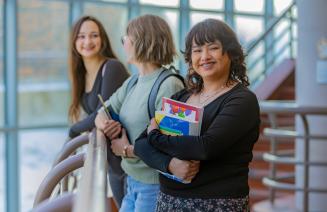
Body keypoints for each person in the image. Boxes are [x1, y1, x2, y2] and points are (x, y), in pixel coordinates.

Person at [134, 18, 260, 211]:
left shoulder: (242, 100)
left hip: (217, 204)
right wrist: (169, 164)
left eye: (213, 48)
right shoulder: (182, 97)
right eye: (197, 50)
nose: (205, 56)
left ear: (230, 53)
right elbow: (141, 145)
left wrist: (155, 136)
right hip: (168, 202)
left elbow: (206, 147)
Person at [95, 14, 185, 212]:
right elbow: (101, 111)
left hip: (155, 187)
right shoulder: (133, 82)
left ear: (142, 41)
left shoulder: (170, 84)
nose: (123, 43)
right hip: (132, 181)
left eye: (125, 38)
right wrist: (105, 125)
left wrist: (126, 149)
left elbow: (172, 145)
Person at [67, 15, 129, 207]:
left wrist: (73, 130)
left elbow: (101, 112)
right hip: (112, 162)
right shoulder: (81, 75)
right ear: (74, 41)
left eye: (94, 35)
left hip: (128, 159)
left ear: (102, 39)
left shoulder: (112, 68)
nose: (87, 41)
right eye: (81, 36)